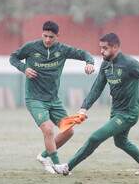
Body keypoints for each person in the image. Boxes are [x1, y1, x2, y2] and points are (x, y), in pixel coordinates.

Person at [53, 32, 139, 176]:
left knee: (95, 137)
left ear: (115, 47)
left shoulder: (130, 64)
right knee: (120, 142)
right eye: (100, 47)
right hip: (116, 112)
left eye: (105, 48)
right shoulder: (106, 65)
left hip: (129, 114)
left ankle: (67, 167)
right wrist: (84, 107)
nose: (101, 51)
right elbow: (97, 88)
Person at [9, 21, 95, 174]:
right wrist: (24, 68)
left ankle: (43, 156)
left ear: (57, 36)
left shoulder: (62, 50)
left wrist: (89, 63)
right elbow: (13, 57)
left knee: (68, 131)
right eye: (45, 36)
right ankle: (57, 165)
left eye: (51, 37)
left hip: (54, 100)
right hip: (35, 99)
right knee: (48, 130)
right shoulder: (31, 47)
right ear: (42, 34)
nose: (47, 40)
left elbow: (84, 54)